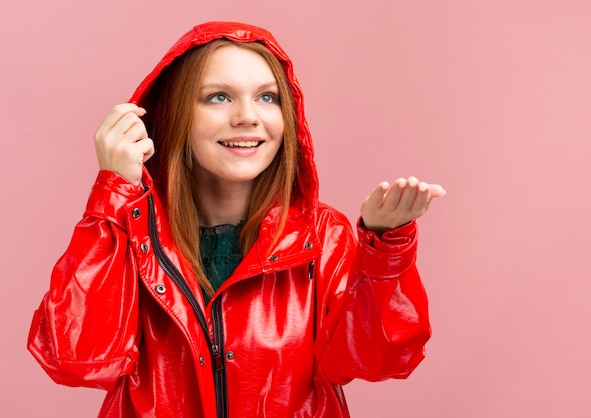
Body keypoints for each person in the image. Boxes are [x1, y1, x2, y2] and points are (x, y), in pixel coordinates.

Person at [27, 21, 446, 417]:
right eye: (219, 97)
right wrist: (114, 191)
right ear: (174, 114)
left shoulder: (323, 235)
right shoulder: (131, 231)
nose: (248, 115)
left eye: (267, 97)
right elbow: (76, 359)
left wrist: (385, 248)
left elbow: (378, 359)